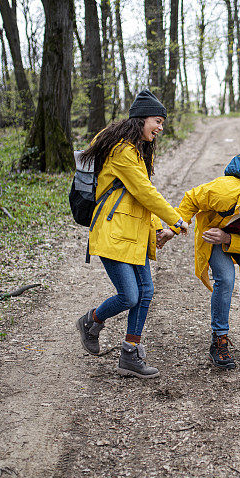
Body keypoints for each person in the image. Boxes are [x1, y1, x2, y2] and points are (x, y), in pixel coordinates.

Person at [76, 89, 189, 379]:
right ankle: (91, 320)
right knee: (129, 295)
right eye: (157, 121)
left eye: (163, 123)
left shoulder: (137, 152)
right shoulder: (122, 151)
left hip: (133, 234)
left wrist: (158, 229)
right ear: (141, 119)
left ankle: (130, 354)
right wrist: (175, 219)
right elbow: (144, 191)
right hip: (112, 233)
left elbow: (136, 200)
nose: (161, 128)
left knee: (146, 293)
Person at [159, 176, 240, 369]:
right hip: (215, 235)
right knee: (226, 279)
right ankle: (219, 340)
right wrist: (174, 227)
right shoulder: (226, 193)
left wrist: (229, 238)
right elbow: (192, 198)